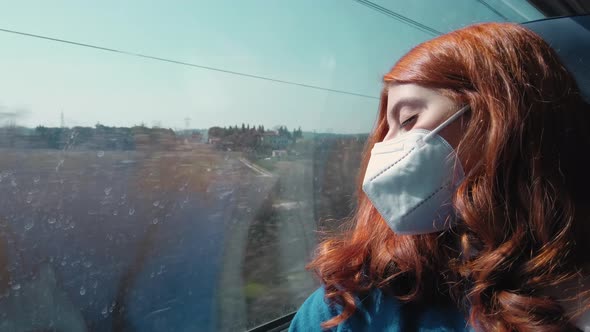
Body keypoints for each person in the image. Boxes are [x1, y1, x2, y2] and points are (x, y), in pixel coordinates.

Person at [289, 22, 590, 331]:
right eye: (384, 131)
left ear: (501, 121)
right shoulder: (352, 304)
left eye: (408, 119)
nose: (385, 149)